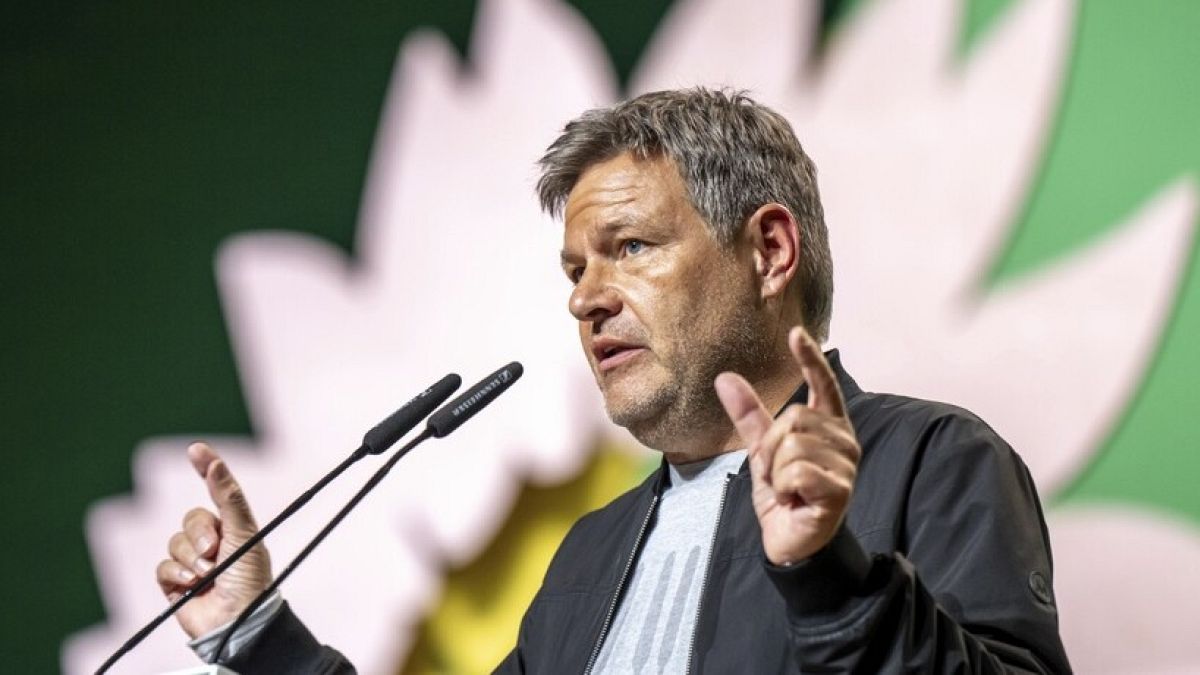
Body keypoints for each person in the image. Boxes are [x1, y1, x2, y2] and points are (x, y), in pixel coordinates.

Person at [158, 88, 1072, 673]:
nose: (586, 301)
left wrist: (828, 575)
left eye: (630, 247)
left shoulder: (933, 461)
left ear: (769, 249)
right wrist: (260, 636)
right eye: (574, 271)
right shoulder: (593, 551)